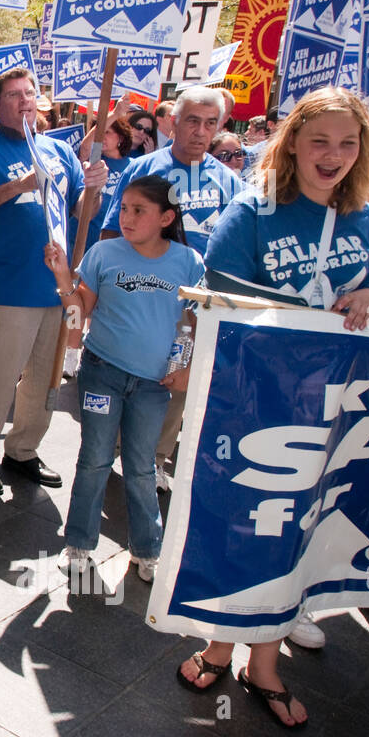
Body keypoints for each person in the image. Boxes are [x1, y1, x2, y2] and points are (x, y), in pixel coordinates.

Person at [191, 87, 369, 728]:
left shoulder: (363, 217)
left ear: (363, 150)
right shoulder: (254, 211)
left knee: (294, 528)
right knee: (241, 521)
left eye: (347, 142)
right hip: (251, 400)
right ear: (292, 145)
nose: (332, 155)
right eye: (319, 140)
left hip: (331, 408)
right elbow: (218, 291)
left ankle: (265, 664)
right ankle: (217, 645)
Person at [47, 175, 203, 584]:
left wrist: (184, 365)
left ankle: (148, 548)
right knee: (94, 458)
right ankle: (78, 545)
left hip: (154, 385)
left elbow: (191, 323)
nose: (128, 218)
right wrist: (64, 278)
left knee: (141, 466)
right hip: (102, 372)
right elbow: (79, 318)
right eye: (125, 208)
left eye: (140, 210)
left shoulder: (189, 262)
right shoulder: (103, 253)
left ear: (167, 217)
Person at [0, 67, 106, 498]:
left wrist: (93, 188)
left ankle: (22, 450)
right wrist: (17, 186)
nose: (24, 101)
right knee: (0, 377)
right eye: (13, 95)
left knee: (44, 380)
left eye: (29, 93)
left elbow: (81, 211)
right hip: (7, 288)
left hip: (56, 289)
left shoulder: (58, 150)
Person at [99, 86, 245, 493]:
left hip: (193, 310)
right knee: (126, 374)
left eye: (210, 123)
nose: (200, 131)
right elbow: (113, 230)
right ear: (175, 122)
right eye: (192, 121)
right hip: (138, 300)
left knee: (175, 383)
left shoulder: (230, 184)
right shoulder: (145, 169)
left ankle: (154, 459)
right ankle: (106, 449)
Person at [72, 116, 134, 254]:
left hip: (115, 241)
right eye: (99, 131)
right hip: (85, 238)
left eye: (107, 132)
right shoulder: (93, 161)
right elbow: (85, 148)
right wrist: (115, 113)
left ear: (121, 138)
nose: (101, 136)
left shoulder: (134, 165)